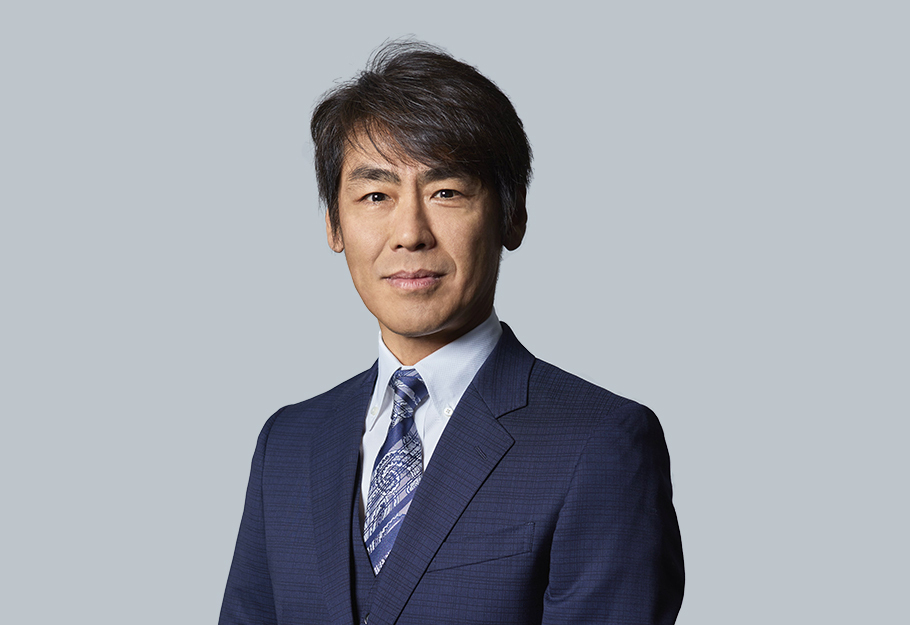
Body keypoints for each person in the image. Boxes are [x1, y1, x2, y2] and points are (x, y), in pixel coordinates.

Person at [219, 41, 684, 625]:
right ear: (335, 224)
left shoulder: (601, 443)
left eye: (446, 192)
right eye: (375, 195)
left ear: (511, 214)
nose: (410, 233)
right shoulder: (288, 444)